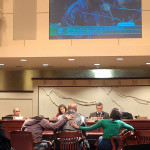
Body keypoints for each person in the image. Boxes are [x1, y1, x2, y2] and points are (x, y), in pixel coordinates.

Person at [70, 108, 134, 150]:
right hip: (115, 144)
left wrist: (77, 127)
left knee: (99, 139)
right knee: (100, 138)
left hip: (105, 145)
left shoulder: (103, 121)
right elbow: (132, 128)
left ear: (111, 114)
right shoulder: (120, 123)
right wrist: (123, 131)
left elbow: (89, 128)